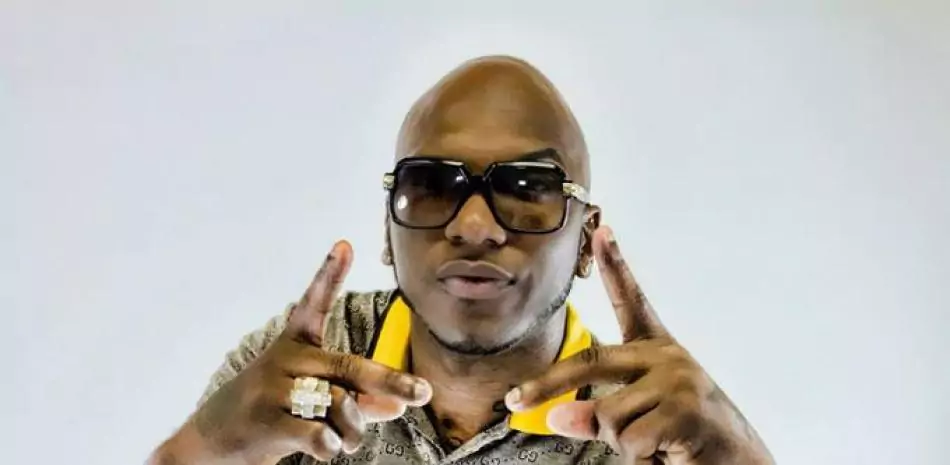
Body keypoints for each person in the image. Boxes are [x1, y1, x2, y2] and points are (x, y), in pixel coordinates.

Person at [148, 55, 774, 465]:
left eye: (527, 188)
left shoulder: (648, 431)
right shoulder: (301, 373)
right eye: (431, 184)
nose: (473, 226)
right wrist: (206, 446)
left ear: (586, 241)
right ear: (388, 229)